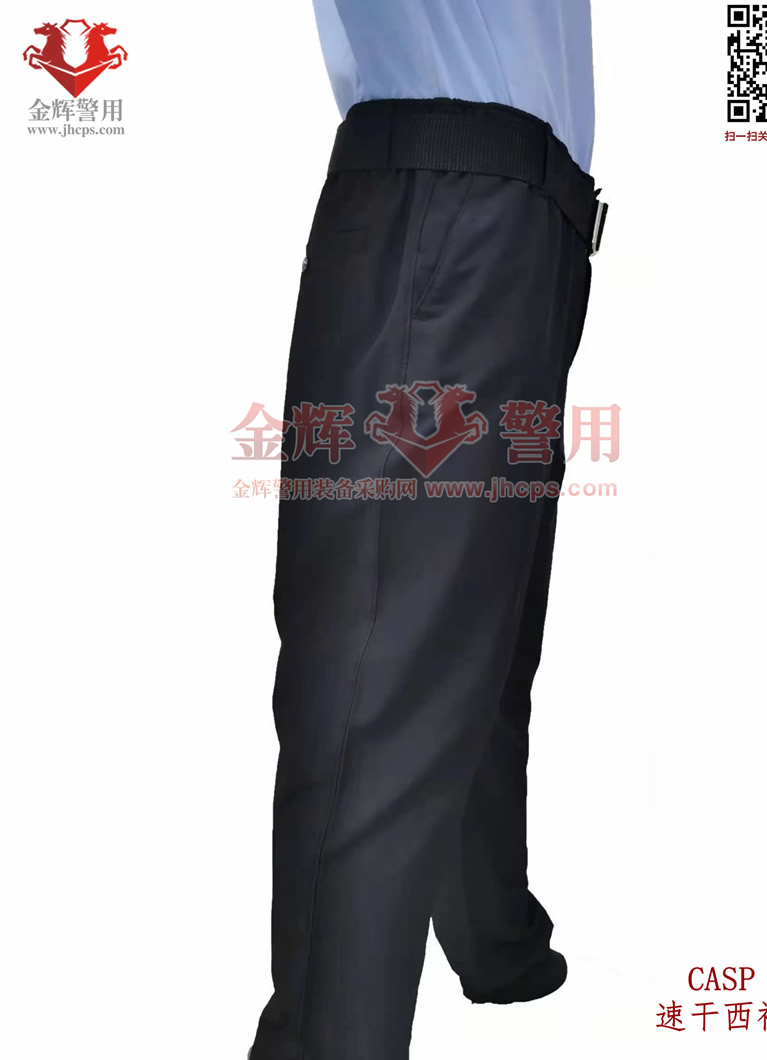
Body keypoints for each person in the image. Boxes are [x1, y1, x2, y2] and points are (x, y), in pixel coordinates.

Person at [248, 3, 607, 1058]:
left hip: (534, 232)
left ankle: (494, 939)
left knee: (484, 634)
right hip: (447, 202)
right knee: (382, 669)